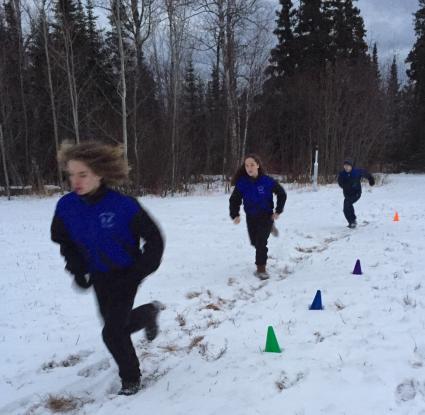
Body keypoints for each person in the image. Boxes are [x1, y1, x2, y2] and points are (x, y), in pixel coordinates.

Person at [51, 141, 164, 396]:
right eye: (71, 175)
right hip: (99, 274)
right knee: (118, 326)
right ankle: (148, 313)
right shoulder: (66, 206)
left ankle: (131, 378)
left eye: (83, 174)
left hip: (126, 273)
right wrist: (77, 268)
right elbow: (63, 239)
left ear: (99, 173)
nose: (75, 181)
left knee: (112, 333)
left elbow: (155, 239)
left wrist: (138, 271)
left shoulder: (123, 205)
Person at [229, 154, 287, 279]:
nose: (249, 168)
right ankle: (271, 228)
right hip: (251, 217)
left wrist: (278, 211)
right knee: (255, 242)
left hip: (266, 216)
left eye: (252, 165)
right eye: (246, 165)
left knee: (261, 242)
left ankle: (261, 269)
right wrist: (235, 214)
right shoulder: (242, 183)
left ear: (258, 166)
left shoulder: (267, 181)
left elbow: (282, 194)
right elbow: (234, 200)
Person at [337, 159, 375, 228]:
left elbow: (366, 173)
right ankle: (352, 221)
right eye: (345, 166)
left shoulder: (357, 172)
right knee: (346, 208)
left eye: (348, 166)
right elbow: (340, 183)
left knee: (348, 204)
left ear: (351, 166)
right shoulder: (342, 174)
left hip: (356, 193)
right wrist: (345, 185)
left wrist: (371, 179)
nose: (346, 167)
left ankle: (352, 222)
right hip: (347, 194)